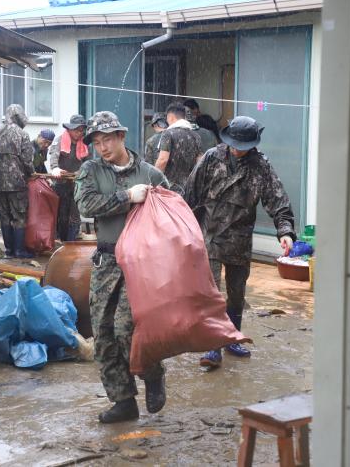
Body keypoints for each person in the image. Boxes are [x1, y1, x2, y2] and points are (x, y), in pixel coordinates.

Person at [74, 111, 169, 423]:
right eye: (97, 142)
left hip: (141, 263)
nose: (102, 147)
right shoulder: (90, 170)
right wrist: (126, 197)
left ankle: (152, 374)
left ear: (121, 137)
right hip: (106, 261)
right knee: (103, 335)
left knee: (126, 329)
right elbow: (86, 205)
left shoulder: (150, 174)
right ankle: (124, 401)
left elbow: (172, 210)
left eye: (107, 140)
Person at [184, 116, 296, 368]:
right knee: (212, 294)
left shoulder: (260, 166)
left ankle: (232, 338)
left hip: (240, 240)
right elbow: (190, 194)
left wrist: (285, 231)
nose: (236, 150)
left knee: (236, 295)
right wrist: (178, 227)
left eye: (242, 147)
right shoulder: (212, 158)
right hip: (210, 236)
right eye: (233, 145)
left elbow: (278, 200)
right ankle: (213, 345)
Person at [0, 104, 35, 259]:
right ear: (20, 117)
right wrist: (32, 173)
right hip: (17, 184)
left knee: (5, 216)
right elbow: (27, 160)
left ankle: (8, 250)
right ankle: (19, 251)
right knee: (19, 216)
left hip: (0, 183)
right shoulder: (22, 135)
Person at [48, 114, 90, 242]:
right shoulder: (60, 140)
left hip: (77, 182)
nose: (79, 133)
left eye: (81, 130)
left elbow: (88, 162)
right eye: (76, 130)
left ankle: (71, 241)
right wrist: (55, 168)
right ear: (70, 129)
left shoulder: (84, 143)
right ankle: (59, 241)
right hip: (60, 182)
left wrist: (83, 171)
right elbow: (53, 156)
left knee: (75, 214)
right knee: (61, 214)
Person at [155, 102, 202, 194]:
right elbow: (200, 162)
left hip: (170, 189)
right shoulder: (196, 136)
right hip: (189, 189)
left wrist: (153, 180)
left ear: (171, 117)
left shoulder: (168, 134)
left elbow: (162, 160)